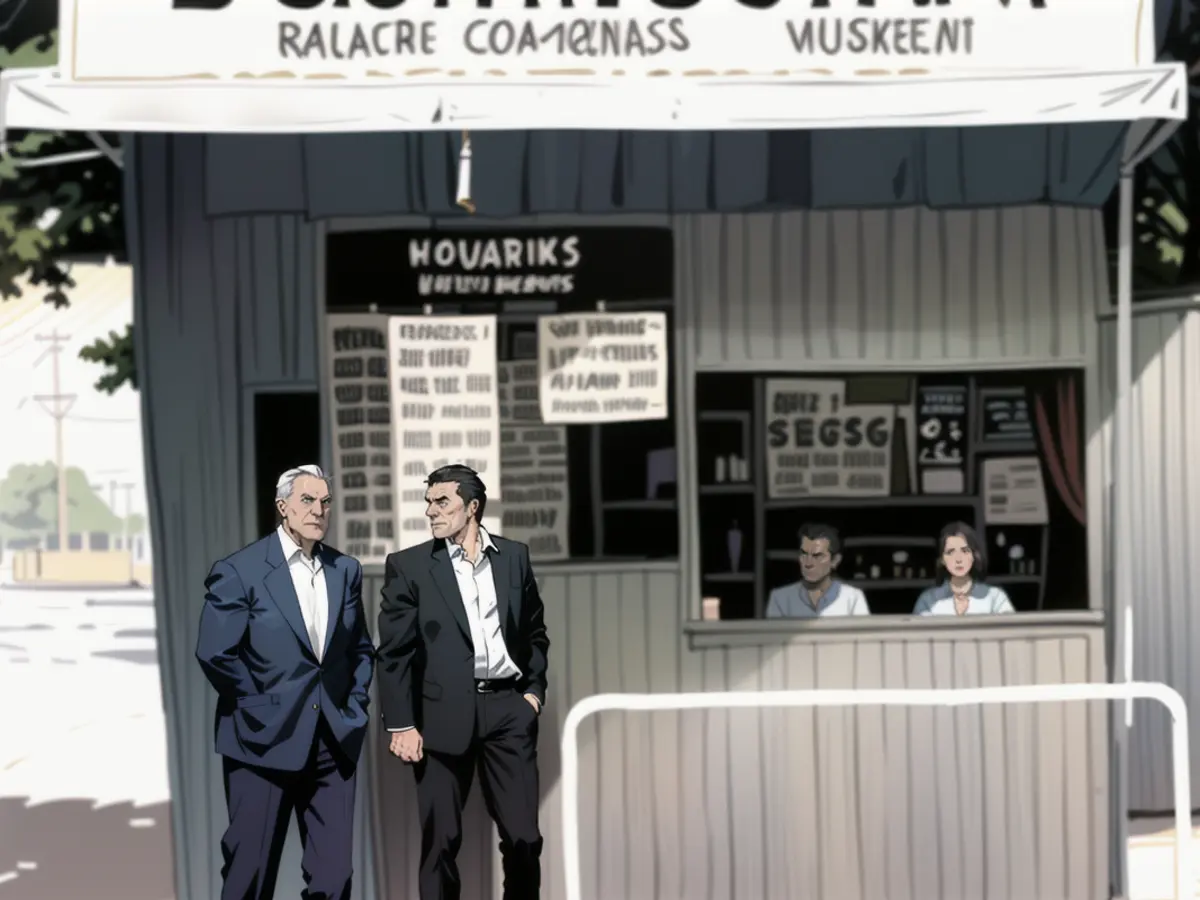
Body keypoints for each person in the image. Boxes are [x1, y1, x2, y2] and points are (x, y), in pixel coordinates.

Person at [195, 464, 374, 900]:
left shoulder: (344, 570)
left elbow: (361, 650)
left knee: (334, 881)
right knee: (249, 877)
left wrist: (353, 705)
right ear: (283, 507)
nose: (318, 510)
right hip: (261, 744)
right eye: (307, 501)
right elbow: (215, 652)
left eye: (325, 502)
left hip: (331, 741)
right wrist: (259, 703)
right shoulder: (241, 570)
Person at [378, 464, 549, 900]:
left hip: (508, 711)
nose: (430, 512)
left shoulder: (514, 557)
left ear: (472, 507)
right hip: (439, 715)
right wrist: (401, 723)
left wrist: (532, 693)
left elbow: (534, 632)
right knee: (441, 843)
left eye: (442, 502)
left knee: (525, 839)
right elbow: (395, 652)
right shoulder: (410, 566)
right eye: (428, 502)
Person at [765, 522, 870, 618]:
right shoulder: (780, 599)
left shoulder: (853, 599)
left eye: (817, 556)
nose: (808, 563)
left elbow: (863, 638)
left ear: (835, 561)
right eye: (804, 554)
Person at [913, 521, 1016, 616]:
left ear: (974, 556)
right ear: (942, 559)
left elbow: (1011, 630)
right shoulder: (928, 600)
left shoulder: (995, 597)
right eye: (950, 552)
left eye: (965, 551)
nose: (958, 559)